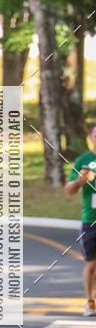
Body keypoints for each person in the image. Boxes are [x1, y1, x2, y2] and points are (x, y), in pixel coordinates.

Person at [65, 126, 96, 316]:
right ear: (91, 138)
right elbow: (69, 190)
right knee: (92, 264)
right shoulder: (83, 161)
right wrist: (79, 181)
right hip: (91, 219)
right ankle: (90, 301)